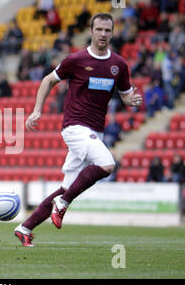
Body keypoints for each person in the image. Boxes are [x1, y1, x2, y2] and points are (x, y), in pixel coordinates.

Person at [14, 13, 143, 247]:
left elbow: (125, 95)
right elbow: (47, 80)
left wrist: (132, 100)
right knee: (107, 165)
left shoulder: (119, 65)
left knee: (67, 187)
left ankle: (26, 227)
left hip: (95, 131)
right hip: (74, 127)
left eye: (107, 30)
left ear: (112, 33)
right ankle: (63, 204)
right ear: (91, 32)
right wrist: (37, 110)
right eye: (99, 29)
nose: (103, 34)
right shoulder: (76, 59)